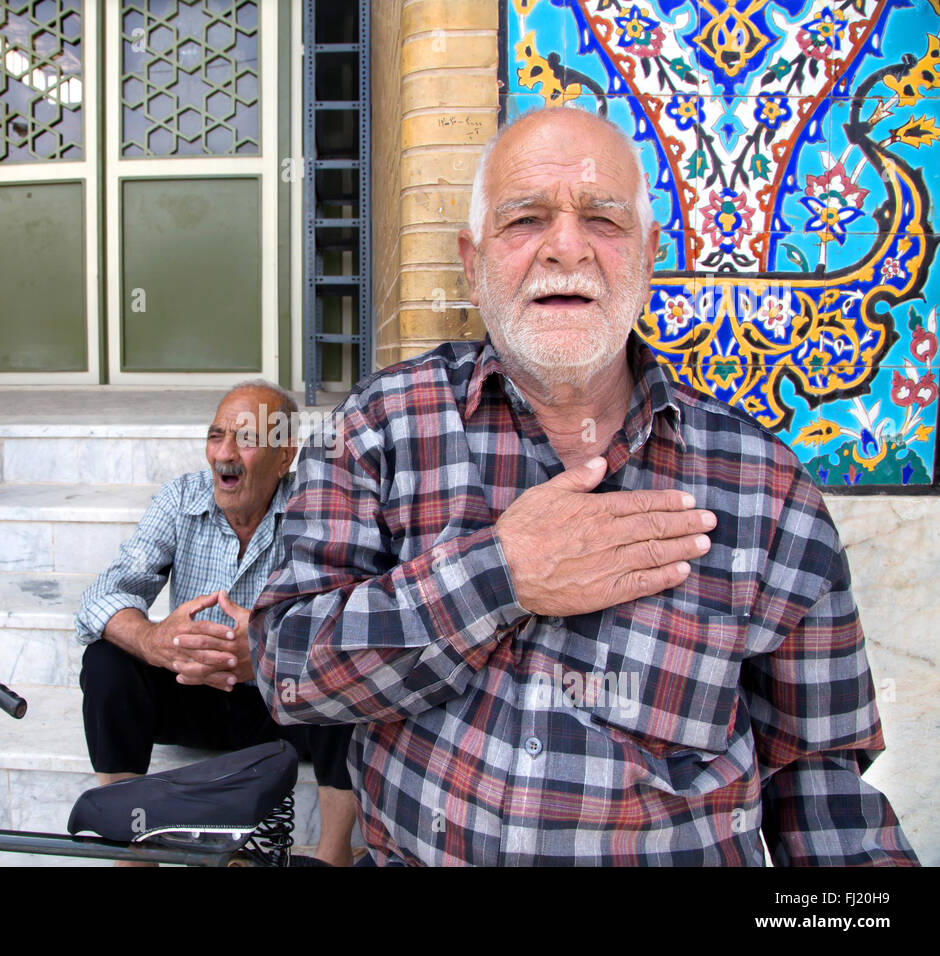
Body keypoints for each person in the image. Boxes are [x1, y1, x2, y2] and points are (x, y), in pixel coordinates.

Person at [249, 107, 918, 866]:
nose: (566, 248)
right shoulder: (382, 425)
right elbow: (288, 671)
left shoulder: (763, 488)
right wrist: (499, 575)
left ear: (648, 256)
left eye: (603, 219)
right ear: (473, 263)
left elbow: (821, 786)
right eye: (525, 219)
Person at [74, 380, 357, 866]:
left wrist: (271, 645)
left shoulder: (316, 506)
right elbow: (102, 596)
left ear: (284, 454)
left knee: (348, 671)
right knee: (107, 659)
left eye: (245, 440)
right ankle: (131, 845)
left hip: (282, 706)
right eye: (215, 435)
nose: (224, 454)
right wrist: (152, 638)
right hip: (193, 693)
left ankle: (334, 855)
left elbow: (347, 615)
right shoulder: (180, 499)